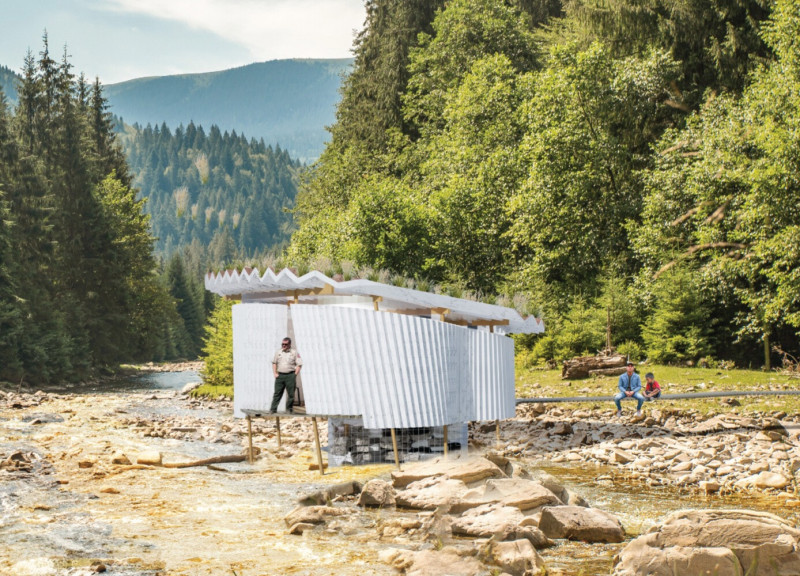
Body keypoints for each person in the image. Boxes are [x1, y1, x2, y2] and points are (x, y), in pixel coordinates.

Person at [270, 337, 302, 414]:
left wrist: (295, 374)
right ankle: (273, 409)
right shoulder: (278, 352)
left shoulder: (294, 353)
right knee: (277, 393)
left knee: (291, 394)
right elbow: (274, 363)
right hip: (280, 376)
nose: (284, 345)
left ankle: (289, 409)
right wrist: (275, 373)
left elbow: (299, 364)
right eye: (282, 344)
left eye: (285, 344)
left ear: (289, 344)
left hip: (290, 375)